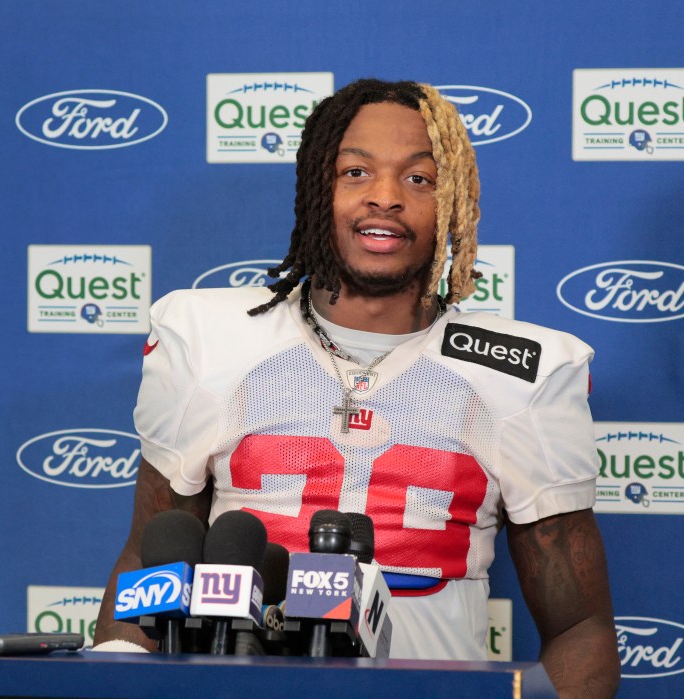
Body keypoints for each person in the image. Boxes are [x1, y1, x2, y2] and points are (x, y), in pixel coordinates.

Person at [94, 78, 620, 698]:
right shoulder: (208, 339)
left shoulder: (519, 371)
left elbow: (581, 627)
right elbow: (148, 564)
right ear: (319, 188)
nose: (386, 198)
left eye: (419, 179)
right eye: (355, 172)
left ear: (451, 202)